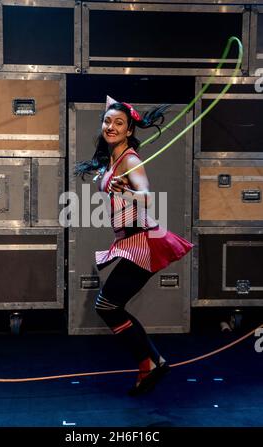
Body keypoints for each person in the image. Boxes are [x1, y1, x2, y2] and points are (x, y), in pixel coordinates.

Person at [75, 96, 194, 395]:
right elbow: (105, 180)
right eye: (107, 121)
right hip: (130, 239)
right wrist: (107, 180)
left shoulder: (130, 159)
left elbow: (147, 197)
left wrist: (124, 192)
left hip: (144, 239)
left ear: (129, 130)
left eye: (119, 123)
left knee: (108, 305)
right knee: (111, 305)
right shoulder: (112, 159)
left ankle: (151, 363)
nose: (111, 127)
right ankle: (152, 362)